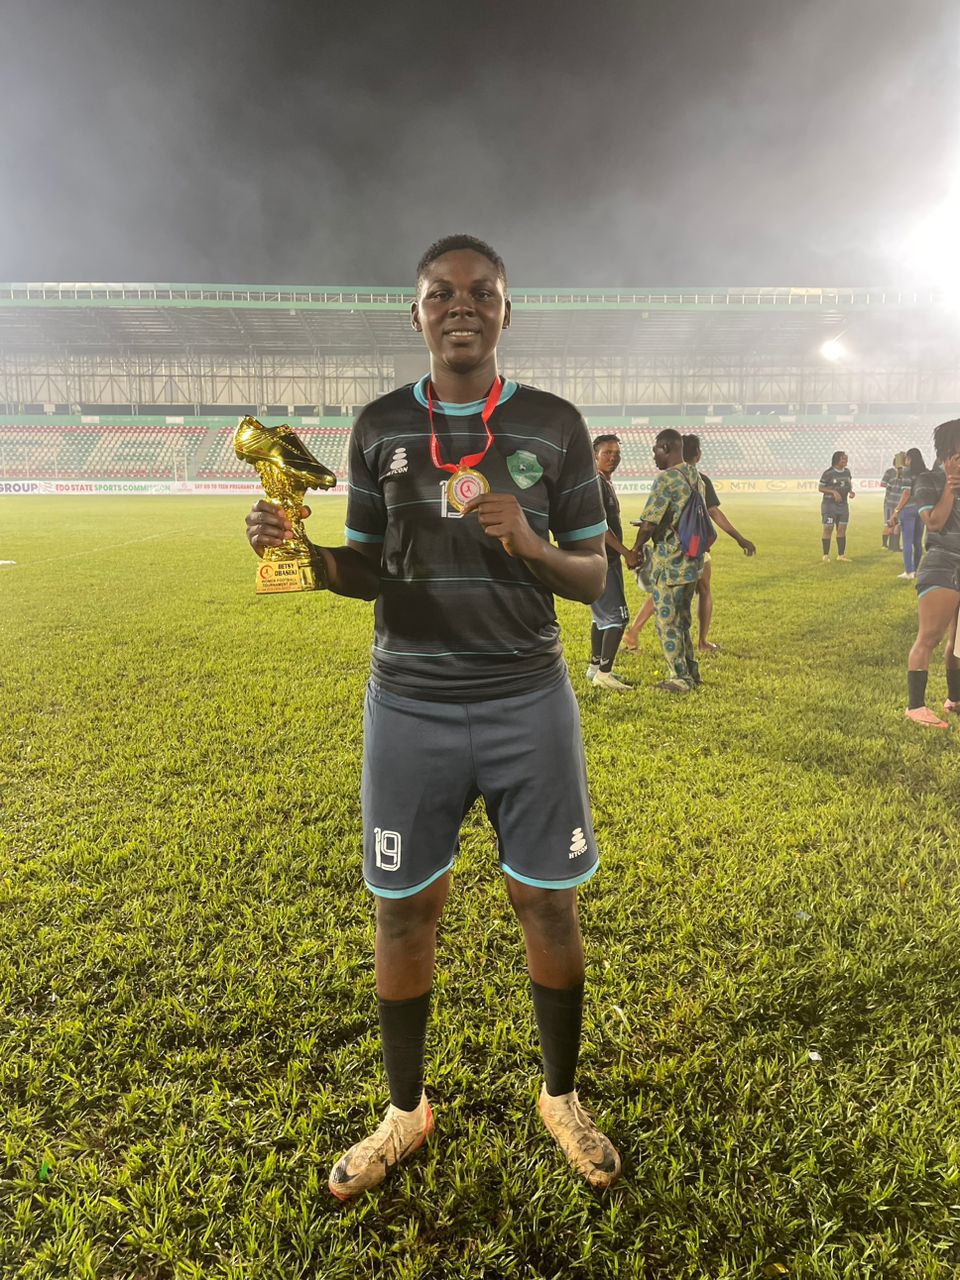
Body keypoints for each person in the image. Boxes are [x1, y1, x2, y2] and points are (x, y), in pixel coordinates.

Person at [245, 234, 621, 1198]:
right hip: (410, 704)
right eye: (442, 293)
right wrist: (305, 554)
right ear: (415, 313)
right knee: (404, 910)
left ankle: (562, 1097)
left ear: (506, 311)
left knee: (547, 901)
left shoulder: (553, 423)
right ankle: (404, 1113)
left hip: (527, 699)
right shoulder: (379, 426)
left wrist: (533, 545)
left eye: (481, 292)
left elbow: (595, 577)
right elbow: (367, 569)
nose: (462, 305)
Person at [623, 433, 755, 654]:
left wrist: (642, 539)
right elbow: (713, 512)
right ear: (698, 454)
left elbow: (657, 517)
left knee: (666, 590)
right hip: (693, 547)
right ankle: (700, 643)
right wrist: (739, 538)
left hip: (673, 548)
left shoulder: (672, 478)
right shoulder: (699, 480)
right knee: (700, 590)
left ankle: (636, 632)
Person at [628, 428, 705, 692]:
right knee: (682, 620)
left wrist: (636, 548)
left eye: (656, 451)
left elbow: (649, 522)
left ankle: (679, 678)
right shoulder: (695, 476)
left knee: (667, 623)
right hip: (692, 559)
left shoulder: (666, 479)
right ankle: (692, 672)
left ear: (667, 448)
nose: (654, 457)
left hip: (670, 561)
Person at [903, 419, 960, 727]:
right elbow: (934, 522)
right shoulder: (928, 480)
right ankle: (916, 707)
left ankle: (955, 699)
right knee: (930, 637)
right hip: (942, 565)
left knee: (959, 642)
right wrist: (950, 485)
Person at [586, 434, 637, 690]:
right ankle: (604, 674)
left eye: (616, 453)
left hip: (602, 557)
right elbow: (599, 526)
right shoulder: (596, 483)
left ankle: (595, 667)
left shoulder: (603, 482)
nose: (613, 458)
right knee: (618, 616)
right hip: (603, 557)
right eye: (607, 453)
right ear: (595, 456)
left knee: (602, 617)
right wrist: (626, 552)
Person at [885, 448, 927, 580]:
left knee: (907, 541)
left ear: (910, 458)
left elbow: (906, 493)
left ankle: (909, 571)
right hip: (921, 509)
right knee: (917, 542)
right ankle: (915, 570)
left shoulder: (907, 471)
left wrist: (896, 511)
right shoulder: (925, 472)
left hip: (908, 509)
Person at [818, 450, 855, 561]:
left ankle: (841, 555)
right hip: (829, 506)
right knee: (828, 529)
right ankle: (825, 555)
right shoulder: (828, 473)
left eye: (846, 458)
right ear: (837, 459)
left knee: (842, 529)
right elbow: (820, 488)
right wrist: (833, 492)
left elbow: (848, 484)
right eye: (844, 458)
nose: (846, 460)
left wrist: (851, 492)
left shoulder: (847, 472)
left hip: (843, 505)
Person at [880, 453, 905, 552]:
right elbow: (883, 484)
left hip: (896, 502)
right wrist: (891, 486)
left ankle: (892, 546)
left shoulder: (903, 472)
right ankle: (887, 545)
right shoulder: (890, 471)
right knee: (891, 523)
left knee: (894, 523)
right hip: (892, 501)